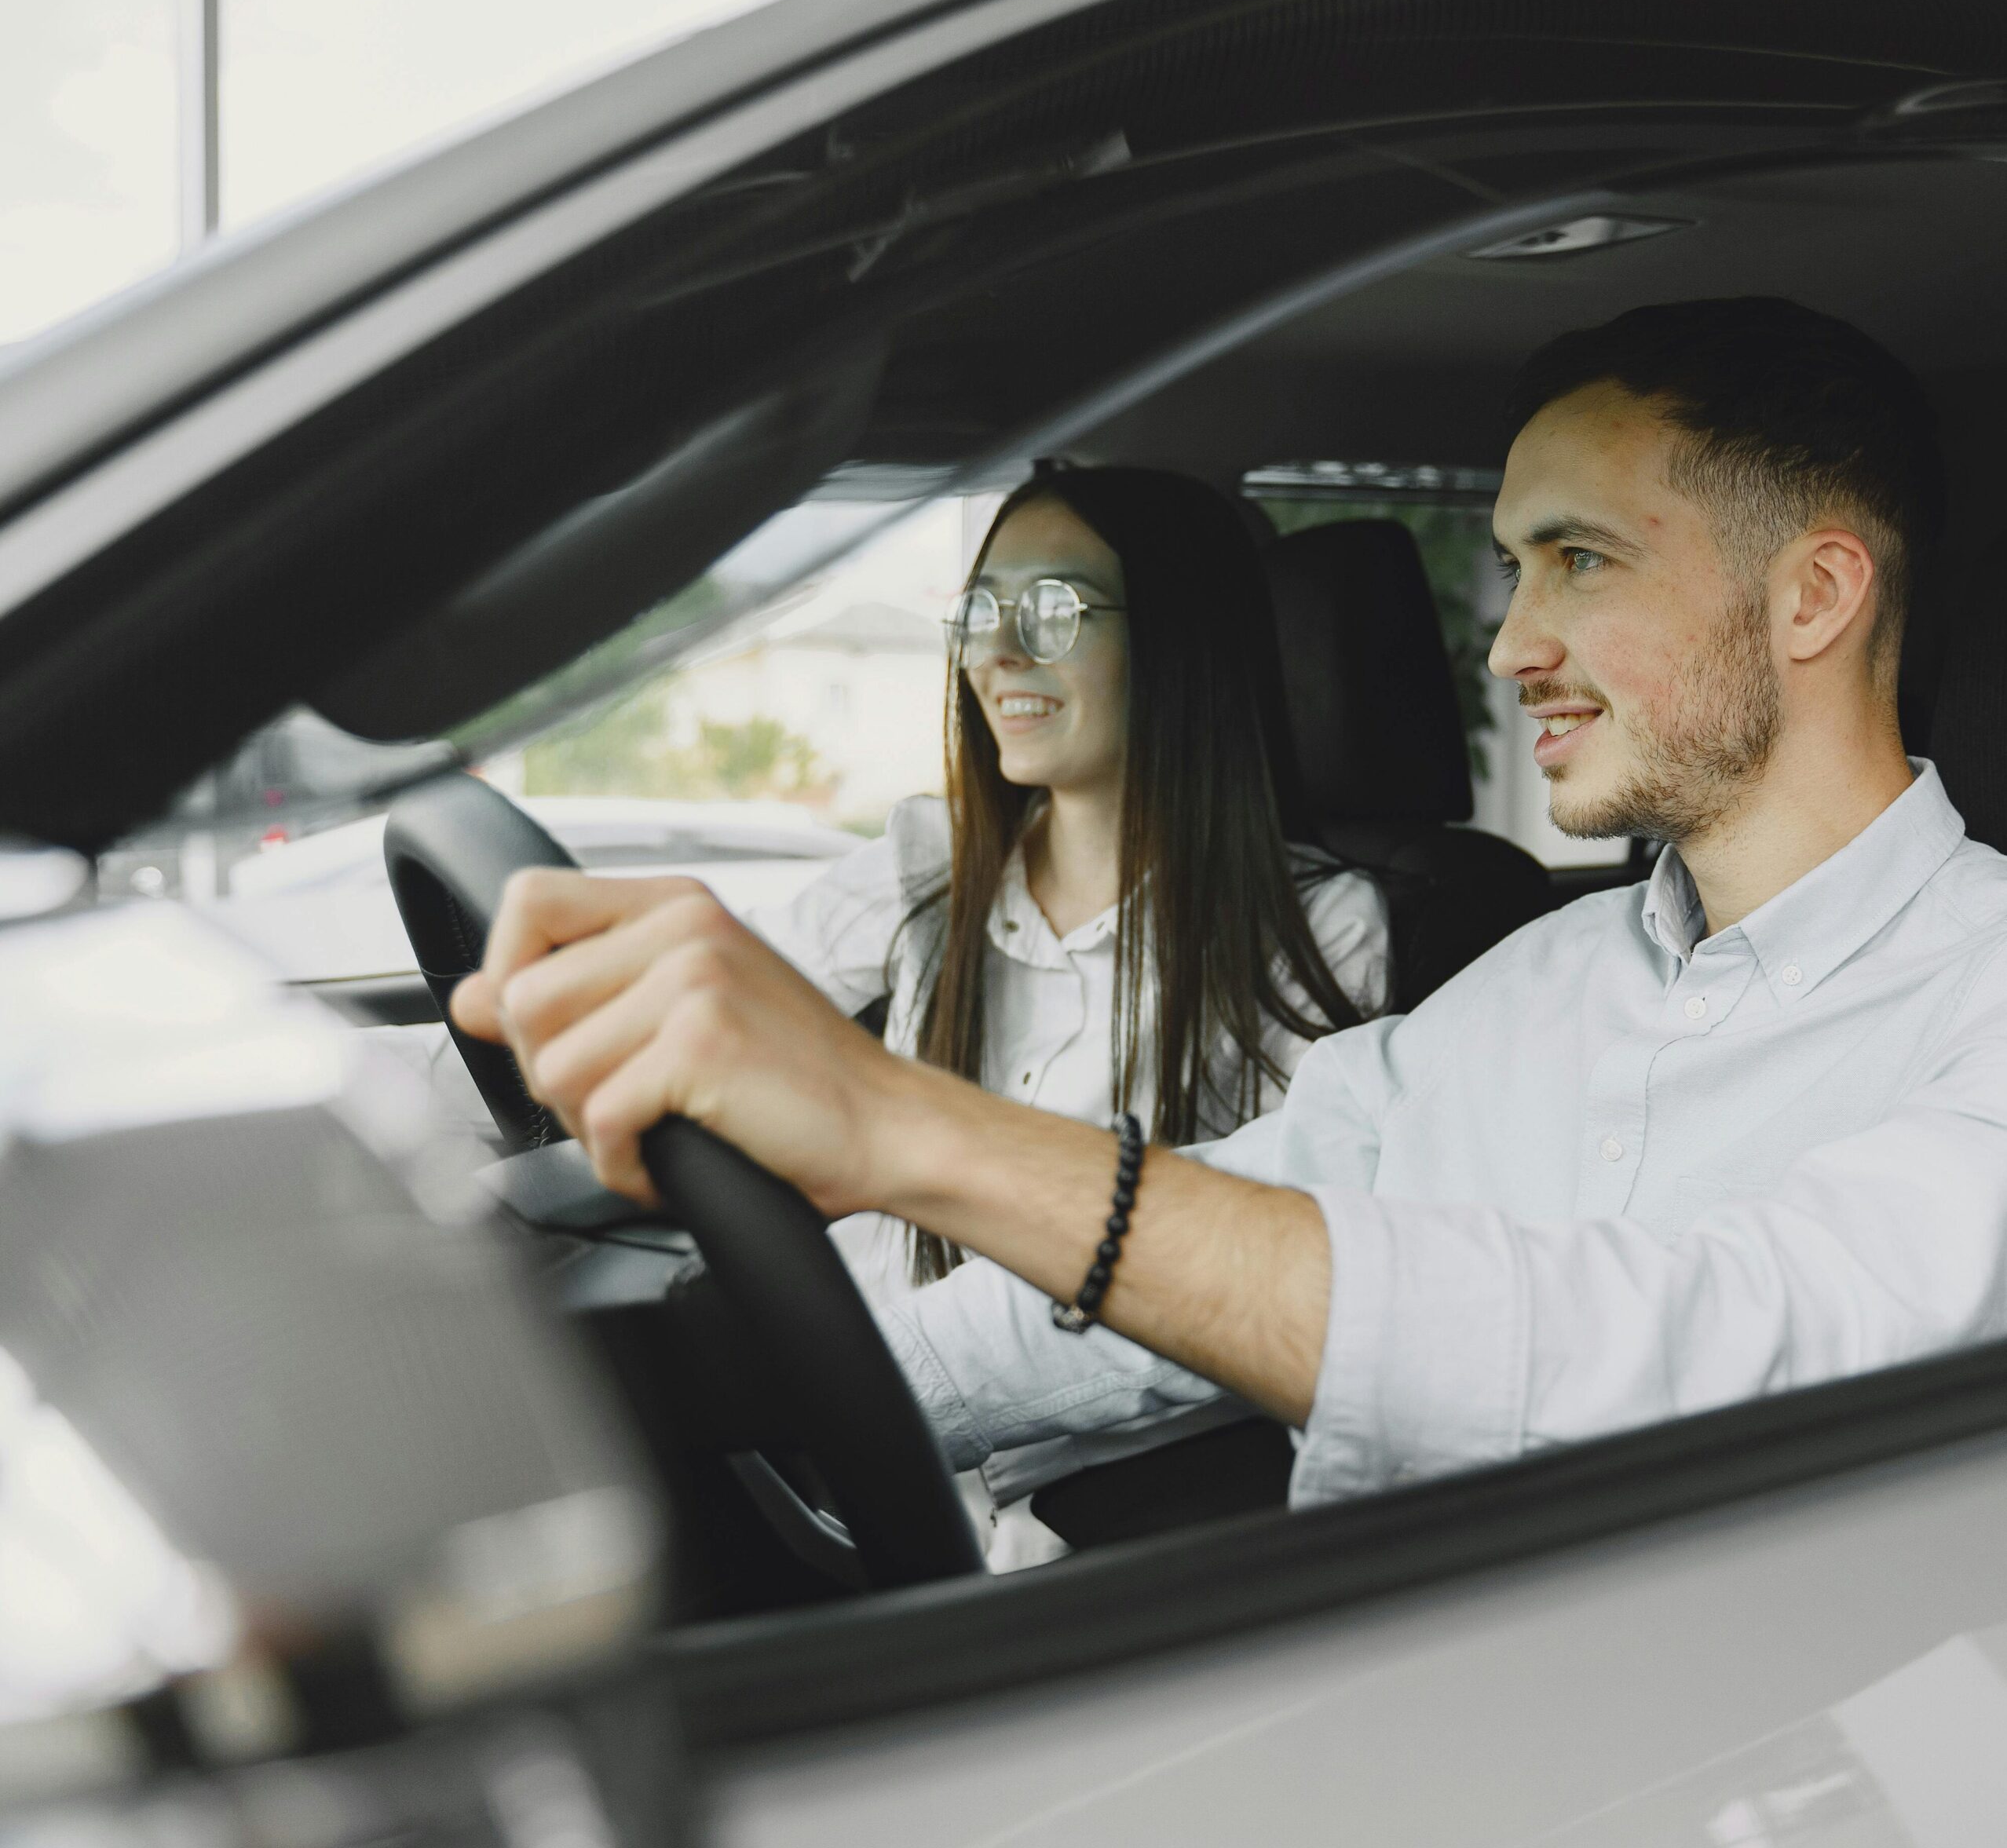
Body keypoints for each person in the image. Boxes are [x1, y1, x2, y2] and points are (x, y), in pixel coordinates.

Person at [453, 296, 2007, 1512]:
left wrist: (898, 1125)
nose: (1508, 644)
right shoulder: (1529, 993)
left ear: (1814, 595)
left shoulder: (1981, 1001)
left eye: (1579, 561)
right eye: (1511, 572)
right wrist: (665, 1388)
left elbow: (1693, 1350)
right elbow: (1180, 1269)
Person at [746, 466, 1387, 1315]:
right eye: (980, 609)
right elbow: (727, 1004)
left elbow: (1267, 1258)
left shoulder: (1318, 923)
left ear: (1175, 637)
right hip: (851, 1394)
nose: (997, 651)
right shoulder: (930, 855)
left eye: (1056, 610)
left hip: (1082, 1433)